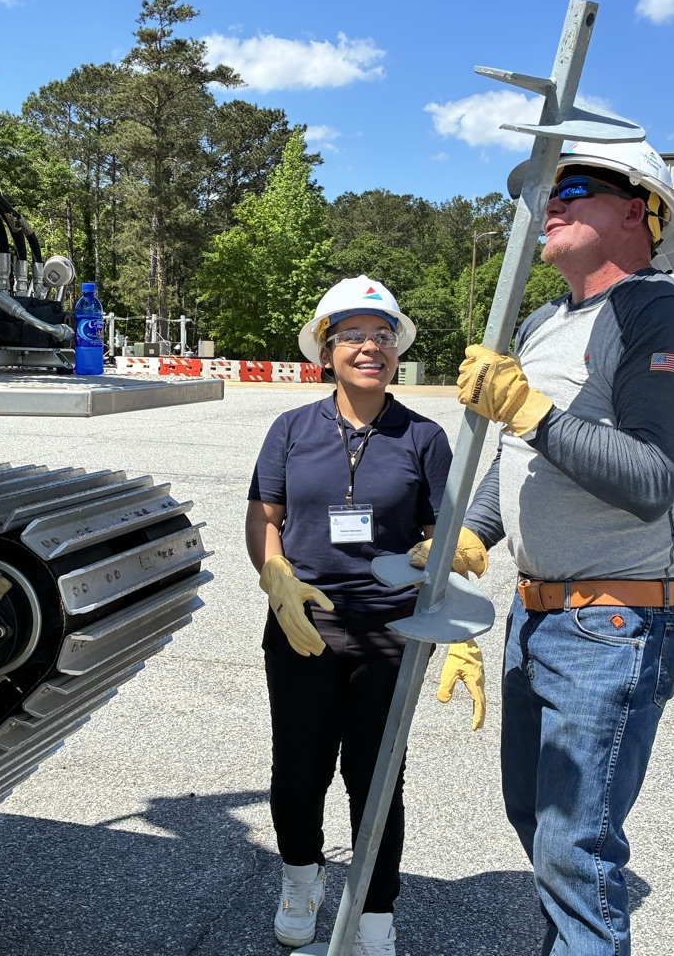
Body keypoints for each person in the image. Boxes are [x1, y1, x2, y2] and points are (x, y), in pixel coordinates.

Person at [453, 139, 674, 955]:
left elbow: (654, 478)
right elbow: (518, 458)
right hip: (536, 615)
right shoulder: (548, 320)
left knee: (574, 850)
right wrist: (473, 536)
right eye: (547, 189)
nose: (550, 201)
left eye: (572, 186)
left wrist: (532, 412)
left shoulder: (656, 310)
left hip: (611, 624)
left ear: (637, 211)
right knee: (540, 828)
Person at [246, 275, 485, 955]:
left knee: (378, 775)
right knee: (298, 768)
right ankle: (301, 877)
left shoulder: (424, 437)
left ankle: (375, 908)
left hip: (394, 632)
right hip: (303, 623)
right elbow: (266, 516)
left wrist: (452, 595)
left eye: (382, 335)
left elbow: (447, 536)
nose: (370, 346)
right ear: (327, 349)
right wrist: (275, 576)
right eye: (353, 334)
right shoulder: (290, 430)